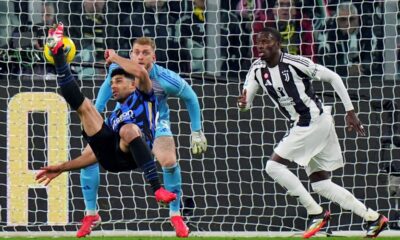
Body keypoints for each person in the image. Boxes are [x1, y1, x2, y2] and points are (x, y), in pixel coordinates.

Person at [237, 27, 388, 238]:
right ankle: (373, 218)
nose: (261, 45)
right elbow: (246, 102)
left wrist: (350, 112)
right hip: (310, 123)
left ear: (278, 44)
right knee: (321, 184)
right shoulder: (256, 69)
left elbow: (334, 77)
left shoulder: (295, 63)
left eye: (266, 41)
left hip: (311, 122)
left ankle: (316, 213)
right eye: (258, 42)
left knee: (273, 166)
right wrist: (243, 104)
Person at [36, 23, 177, 234]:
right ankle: (58, 56)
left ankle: (157, 189)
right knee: (85, 108)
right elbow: (95, 154)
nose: (113, 86)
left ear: (132, 85)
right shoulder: (115, 118)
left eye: (119, 81)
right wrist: (63, 167)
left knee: (128, 130)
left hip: (136, 152)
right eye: (112, 82)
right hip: (113, 158)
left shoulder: (145, 95)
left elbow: (140, 71)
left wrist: (114, 57)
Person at [75, 36, 207, 238]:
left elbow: (190, 96)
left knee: (169, 161)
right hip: (121, 123)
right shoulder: (118, 72)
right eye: (137, 52)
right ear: (131, 54)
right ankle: (91, 214)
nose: (140, 56)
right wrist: (96, 121)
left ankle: (175, 215)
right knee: (86, 158)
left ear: (153, 57)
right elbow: (102, 96)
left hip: (155, 124)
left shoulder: (165, 78)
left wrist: (196, 131)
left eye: (145, 53)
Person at [316, 1, 383, 78]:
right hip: (335, 78)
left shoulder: (367, 30)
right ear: (337, 19)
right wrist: (347, 70)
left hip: (363, 78)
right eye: (343, 19)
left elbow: (374, 59)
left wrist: (360, 68)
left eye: (351, 19)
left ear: (357, 18)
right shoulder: (327, 30)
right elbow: (323, 61)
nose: (347, 23)